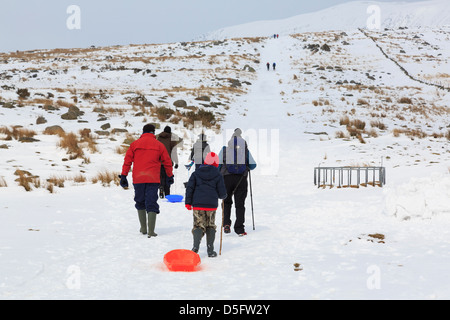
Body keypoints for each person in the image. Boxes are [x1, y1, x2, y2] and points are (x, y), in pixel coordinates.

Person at [119, 123, 174, 238]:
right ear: (153, 132)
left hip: (138, 178)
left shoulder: (134, 144)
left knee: (140, 201)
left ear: (143, 132)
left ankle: (143, 228)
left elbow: (127, 161)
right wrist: (169, 176)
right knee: (151, 202)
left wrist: (124, 176)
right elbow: (167, 162)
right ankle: (151, 231)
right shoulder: (159, 145)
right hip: (153, 178)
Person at [185, 152, 227, 257]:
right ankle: (210, 250)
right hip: (211, 206)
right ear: (216, 164)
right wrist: (224, 195)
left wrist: (188, 202)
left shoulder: (196, 173)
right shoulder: (218, 175)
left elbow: (189, 188)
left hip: (197, 205)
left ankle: (195, 247)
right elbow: (222, 194)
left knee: (198, 225)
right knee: (210, 225)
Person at [218, 128, 256, 236]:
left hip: (226, 179)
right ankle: (239, 229)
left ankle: (226, 224)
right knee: (240, 204)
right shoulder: (245, 151)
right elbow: (253, 165)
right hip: (241, 180)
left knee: (227, 202)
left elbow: (218, 165)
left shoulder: (224, 149)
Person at [157, 125, 181, 198]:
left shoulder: (158, 138)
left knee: (161, 176)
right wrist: (176, 162)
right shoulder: (172, 140)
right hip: (168, 162)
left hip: (158, 161)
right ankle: (167, 193)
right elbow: (174, 152)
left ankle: (161, 187)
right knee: (168, 176)